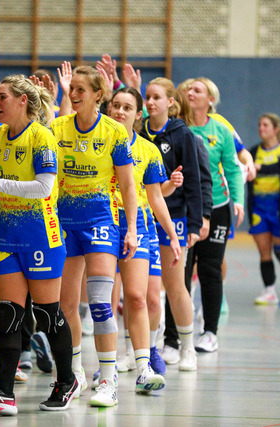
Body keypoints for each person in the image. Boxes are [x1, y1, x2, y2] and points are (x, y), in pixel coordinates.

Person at [0, 75, 78, 416]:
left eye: (2, 97)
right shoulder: (1, 134)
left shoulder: (42, 136)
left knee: (47, 314)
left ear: (22, 101)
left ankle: (66, 381)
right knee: (7, 314)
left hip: (41, 234)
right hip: (8, 235)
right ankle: (4, 392)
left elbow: (44, 187)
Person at [51, 64, 138, 407]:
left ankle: (108, 380)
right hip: (64, 222)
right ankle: (75, 374)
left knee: (101, 303)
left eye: (80, 90)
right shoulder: (58, 127)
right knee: (66, 306)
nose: (73, 95)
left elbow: (128, 186)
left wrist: (131, 229)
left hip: (101, 221)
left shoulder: (114, 132)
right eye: (71, 89)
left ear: (98, 95)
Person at [106, 86, 182, 391]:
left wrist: (172, 234)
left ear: (138, 115)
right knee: (104, 300)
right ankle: (104, 369)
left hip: (138, 226)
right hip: (102, 222)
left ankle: (143, 365)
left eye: (127, 107)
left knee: (138, 296)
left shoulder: (148, 151)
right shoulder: (97, 142)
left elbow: (156, 198)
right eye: (115, 105)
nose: (120, 112)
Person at [139, 78, 204, 371]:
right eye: (148, 97)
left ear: (170, 102)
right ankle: (142, 350)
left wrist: (195, 223)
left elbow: (194, 181)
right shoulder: (138, 133)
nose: (151, 102)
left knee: (176, 286)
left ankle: (188, 348)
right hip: (142, 216)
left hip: (174, 217)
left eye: (157, 97)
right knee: (143, 291)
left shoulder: (182, 134)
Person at [187, 77, 244, 353]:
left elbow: (232, 168)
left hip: (217, 208)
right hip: (185, 208)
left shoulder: (221, 130)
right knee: (181, 271)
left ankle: (210, 331)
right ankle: (175, 335)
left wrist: (239, 201)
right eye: (189, 89)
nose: (190, 92)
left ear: (211, 99)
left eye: (197, 90)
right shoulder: (179, 126)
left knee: (210, 269)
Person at [248, 113, 280, 305]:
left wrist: (260, 168)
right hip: (258, 208)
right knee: (264, 251)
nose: (261, 128)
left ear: (276, 129)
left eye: (266, 125)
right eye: (260, 125)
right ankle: (269, 290)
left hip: (279, 207)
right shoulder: (254, 152)